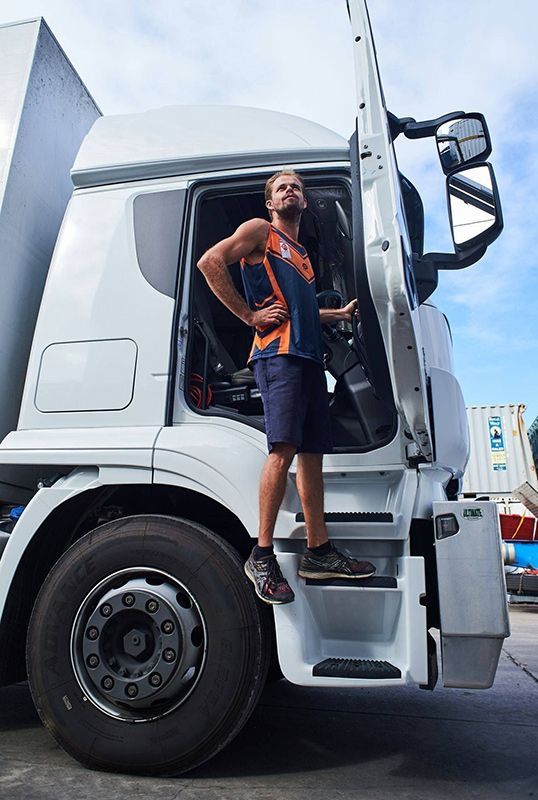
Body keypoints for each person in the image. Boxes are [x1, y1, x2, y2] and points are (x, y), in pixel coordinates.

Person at [197, 169, 376, 605]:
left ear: (304, 201)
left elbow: (299, 311)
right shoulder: (260, 233)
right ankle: (261, 555)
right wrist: (250, 317)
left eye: (297, 186)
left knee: (312, 456)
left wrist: (334, 316)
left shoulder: (303, 258)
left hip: (310, 361)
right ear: (271, 203)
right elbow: (209, 263)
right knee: (284, 450)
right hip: (278, 358)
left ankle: (318, 552)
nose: (291, 190)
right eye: (282, 187)